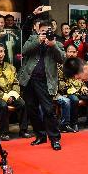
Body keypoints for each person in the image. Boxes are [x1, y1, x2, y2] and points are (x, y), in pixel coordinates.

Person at [19, 19, 65, 150]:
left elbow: (62, 59)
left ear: (52, 31)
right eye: (42, 31)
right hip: (29, 80)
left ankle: (55, 139)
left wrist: (53, 45)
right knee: (31, 109)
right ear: (38, 31)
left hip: (45, 81)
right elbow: (24, 51)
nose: (45, 33)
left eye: (47, 31)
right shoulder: (33, 39)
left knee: (48, 110)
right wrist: (38, 41)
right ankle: (40, 135)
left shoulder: (57, 43)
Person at [0, 43, 27, 140]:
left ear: (4, 53)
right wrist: (5, 97)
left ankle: (23, 131)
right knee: (3, 105)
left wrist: (13, 95)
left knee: (22, 103)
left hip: (11, 94)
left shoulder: (10, 67)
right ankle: (3, 133)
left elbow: (16, 83)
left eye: (1, 51)